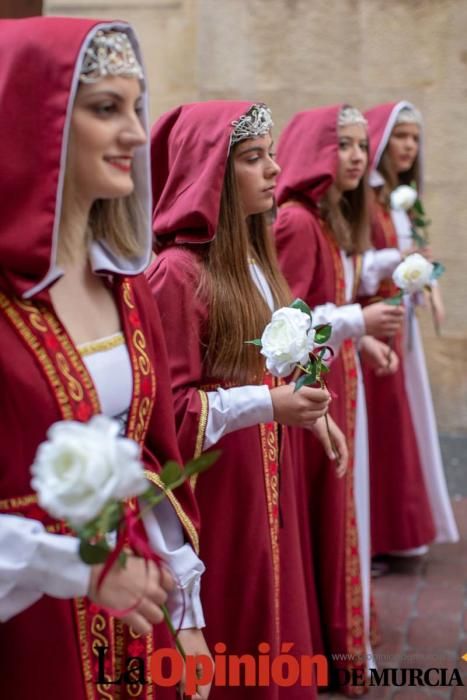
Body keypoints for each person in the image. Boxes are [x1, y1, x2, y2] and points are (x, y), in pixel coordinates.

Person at [0, 17, 208, 700]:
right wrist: (71, 567)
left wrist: (185, 609)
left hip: (127, 621)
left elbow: (146, 462)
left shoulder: (126, 288)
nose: (131, 133)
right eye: (104, 108)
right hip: (26, 635)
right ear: (38, 123)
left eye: (136, 108)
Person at [146, 100, 337, 699]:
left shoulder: (255, 262)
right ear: (213, 175)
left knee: (274, 615)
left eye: (272, 155)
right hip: (219, 494)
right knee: (238, 621)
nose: (275, 170)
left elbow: (271, 362)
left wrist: (307, 406)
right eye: (254, 159)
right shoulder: (177, 275)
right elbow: (166, 414)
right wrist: (267, 406)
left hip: (263, 478)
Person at [273, 104, 404, 693]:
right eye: (344, 145)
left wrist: (363, 338)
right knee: (330, 510)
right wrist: (358, 320)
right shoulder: (298, 223)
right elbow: (289, 320)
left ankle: (343, 637)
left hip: (343, 378)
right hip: (318, 390)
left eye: (360, 145)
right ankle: (331, 641)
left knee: (345, 509)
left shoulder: (328, 222)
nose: (355, 156)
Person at [363, 101, 459, 558]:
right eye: (400, 136)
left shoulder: (404, 200)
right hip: (373, 322)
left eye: (414, 138)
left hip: (399, 322)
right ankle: (379, 534)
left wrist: (424, 279)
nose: (408, 146)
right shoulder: (365, 198)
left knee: (404, 424)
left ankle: (400, 531)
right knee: (383, 428)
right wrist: (397, 262)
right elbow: (356, 264)